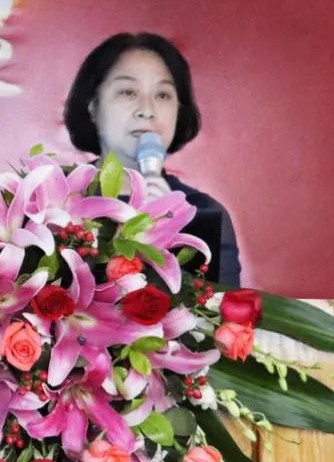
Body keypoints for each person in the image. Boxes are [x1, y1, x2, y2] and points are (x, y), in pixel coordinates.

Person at [63, 32, 242, 287]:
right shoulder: (56, 199)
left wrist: (172, 231)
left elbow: (221, 308)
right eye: (128, 92)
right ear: (92, 106)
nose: (147, 110)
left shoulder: (204, 213)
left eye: (163, 95)